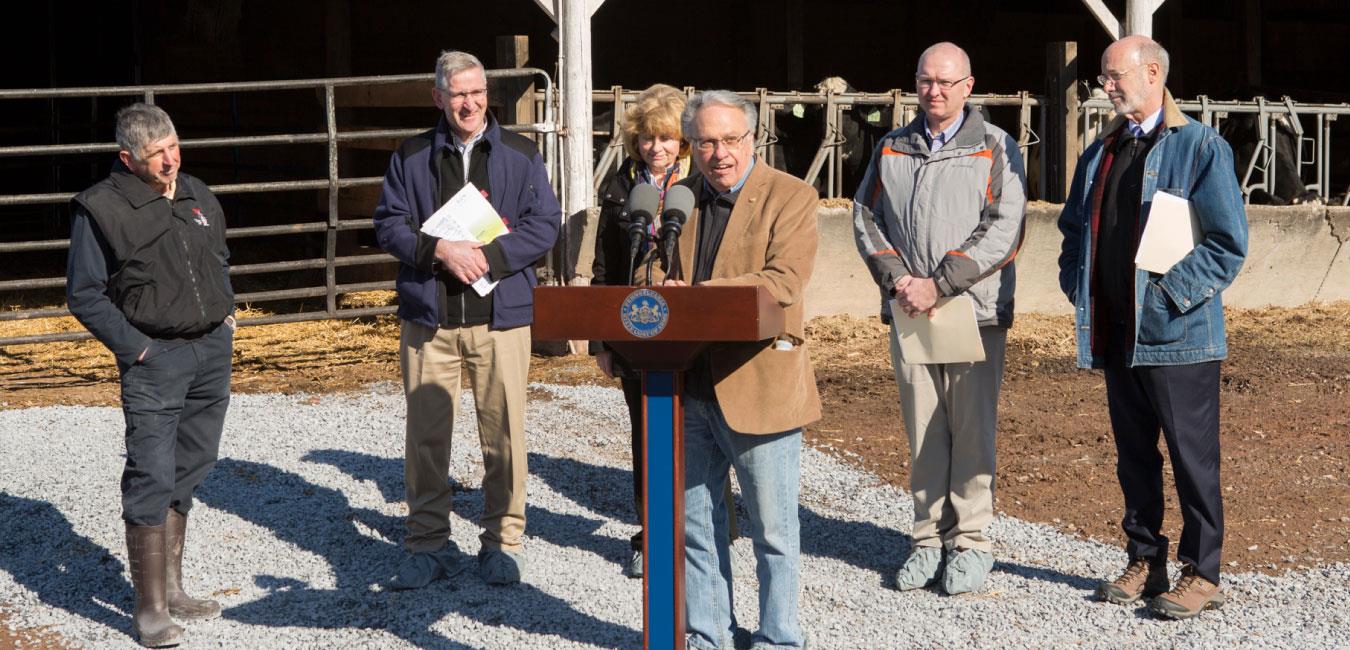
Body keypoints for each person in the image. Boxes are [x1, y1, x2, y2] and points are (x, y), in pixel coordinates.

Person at [1057, 35, 1247, 620]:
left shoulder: (1200, 147)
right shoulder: (1100, 152)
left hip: (1178, 337)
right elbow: (1071, 231)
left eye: (1115, 75)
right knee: (1133, 456)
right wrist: (1078, 284)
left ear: (1154, 72)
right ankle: (1146, 558)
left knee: (1193, 458)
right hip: (1116, 334)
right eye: (1104, 77)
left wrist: (1167, 297)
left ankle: (1202, 571)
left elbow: (1226, 244)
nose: (1105, 86)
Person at [373, 50, 560, 590]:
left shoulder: (522, 156)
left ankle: (502, 541)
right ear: (438, 98)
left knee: (504, 437)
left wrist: (489, 257)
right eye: (458, 94)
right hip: (430, 321)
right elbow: (389, 224)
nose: (469, 103)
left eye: (477, 92)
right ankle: (427, 542)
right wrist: (438, 252)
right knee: (426, 439)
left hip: (500, 320)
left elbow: (544, 223)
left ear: (488, 94)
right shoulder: (409, 158)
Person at [851, 41, 1027, 595]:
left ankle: (971, 541)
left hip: (971, 311)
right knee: (923, 427)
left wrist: (940, 282)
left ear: (969, 86)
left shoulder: (995, 147)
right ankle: (928, 538)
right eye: (926, 81)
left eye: (947, 82)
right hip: (910, 309)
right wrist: (901, 280)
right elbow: (864, 216)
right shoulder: (892, 146)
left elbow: (1005, 226)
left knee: (971, 428)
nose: (935, 91)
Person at [66, 103, 234, 647]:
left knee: (194, 461)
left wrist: (226, 313)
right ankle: (150, 610)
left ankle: (175, 586)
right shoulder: (101, 209)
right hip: (155, 359)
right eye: (155, 154)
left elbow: (219, 257)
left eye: (173, 147)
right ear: (127, 158)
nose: (169, 161)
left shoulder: (196, 192)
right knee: (151, 472)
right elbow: (84, 294)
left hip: (210, 350)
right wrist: (137, 349)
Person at [665, 90, 820, 650]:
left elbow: (783, 282)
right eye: (705, 141)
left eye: (731, 139)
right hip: (685, 386)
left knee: (773, 532)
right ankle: (709, 636)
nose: (719, 152)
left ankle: (779, 639)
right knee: (697, 530)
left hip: (759, 386)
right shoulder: (677, 199)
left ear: (754, 138)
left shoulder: (792, 195)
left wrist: (696, 300)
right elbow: (653, 271)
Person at [591, 83, 693, 579]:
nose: (658, 147)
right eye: (650, 138)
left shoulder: (705, 184)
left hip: (694, 326)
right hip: (636, 325)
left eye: (669, 138)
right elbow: (605, 264)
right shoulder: (619, 186)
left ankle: (705, 528)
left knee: (699, 432)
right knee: (646, 434)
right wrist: (601, 340)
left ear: (684, 142)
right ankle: (650, 533)